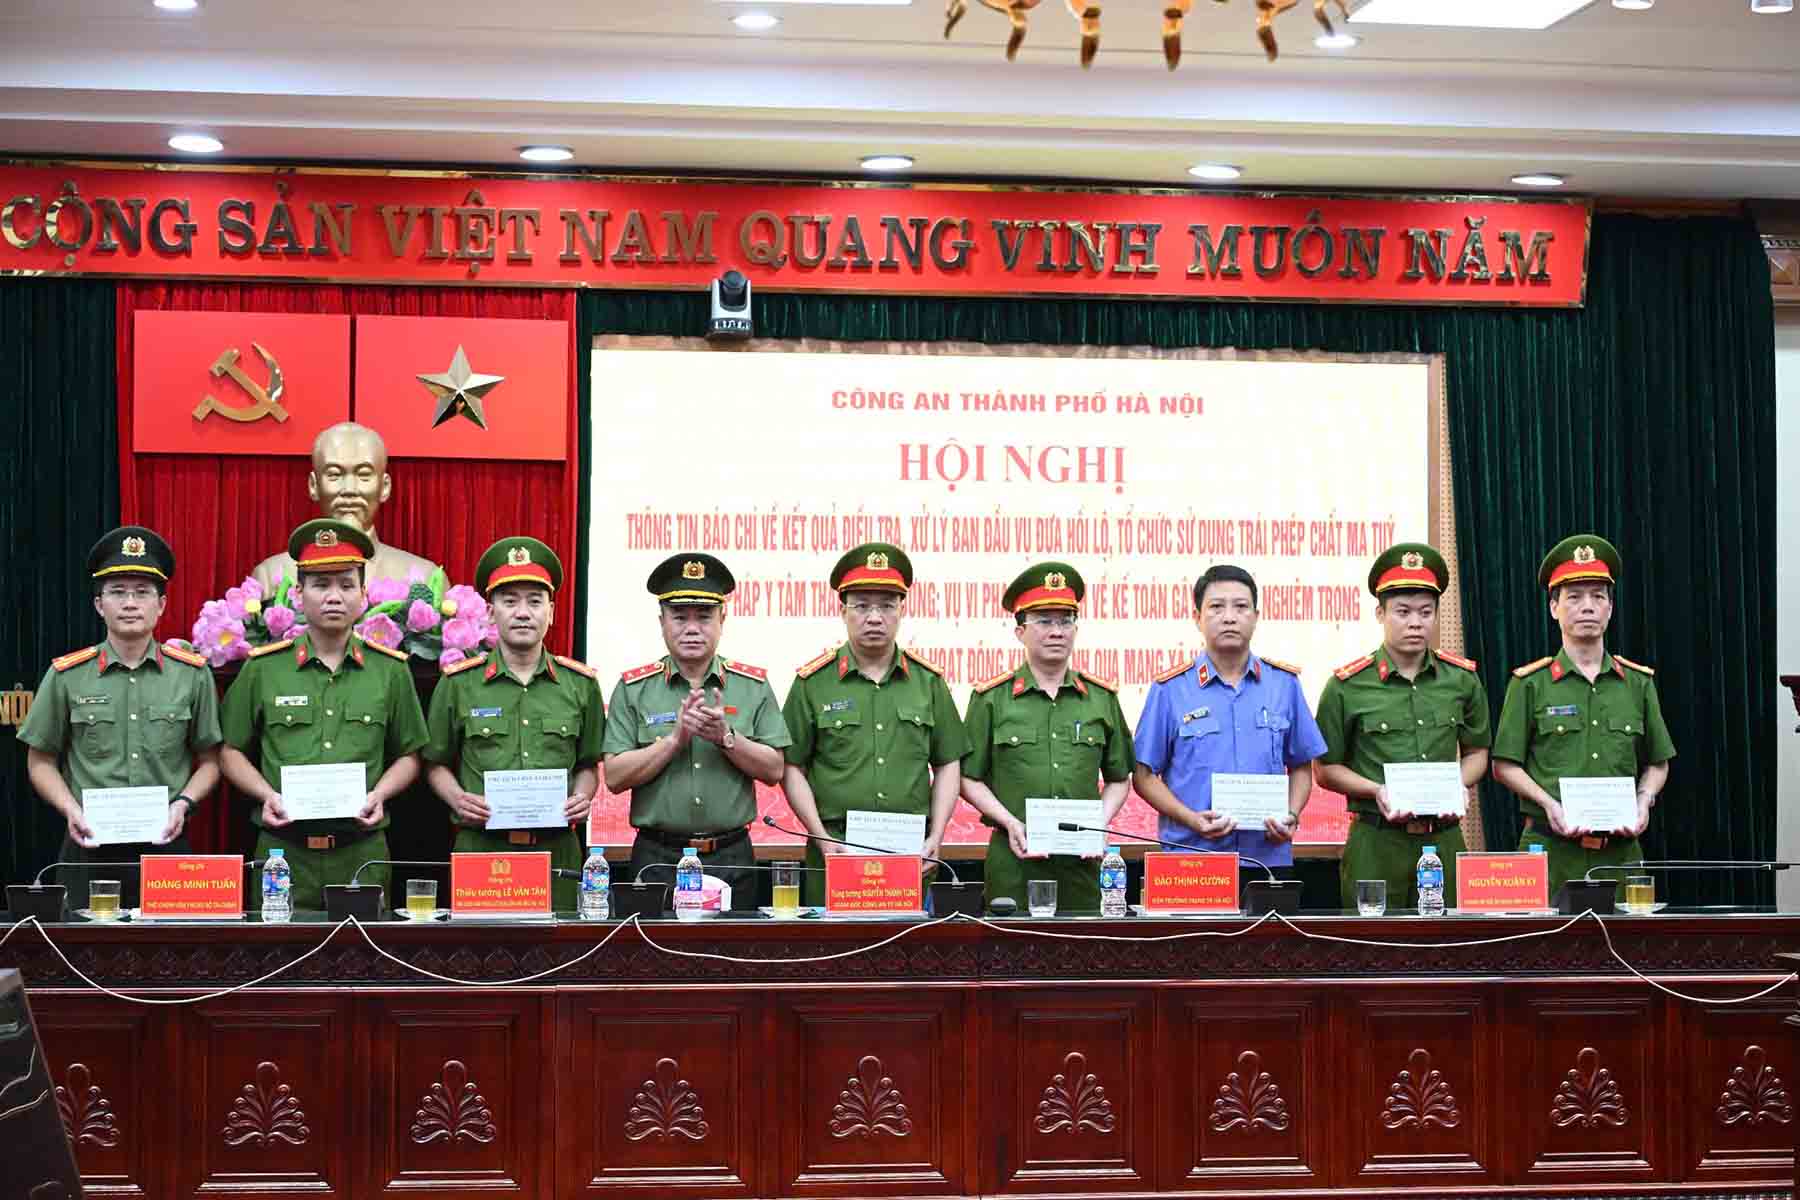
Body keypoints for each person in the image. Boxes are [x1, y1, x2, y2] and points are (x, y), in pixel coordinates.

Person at [220, 519, 429, 910]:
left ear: (364, 594)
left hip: (361, 852)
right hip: (283, 854)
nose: (334, 596)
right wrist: (266, 795)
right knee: (277, 962)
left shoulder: (391, 670)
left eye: (346, 585)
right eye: (320, 584)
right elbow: (229, 750)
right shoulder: (264, 669)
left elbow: (411, 753)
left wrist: (380, 794)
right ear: (298, 594)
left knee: (363, 965)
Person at [18, 526, 221, 908]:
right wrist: (69, 809)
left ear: (161, 604)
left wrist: (184, 804)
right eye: (118, 592)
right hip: (89, 844)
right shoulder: (67, 675)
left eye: (142, 592)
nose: (130, 603)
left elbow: (211, 760)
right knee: (83, 955)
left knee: (171, 958)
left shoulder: (192, 674)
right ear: (99, 604)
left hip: (165, 842)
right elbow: (40, 760)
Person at [781, 543, 967, 905]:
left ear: (902, 610)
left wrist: (938, 835)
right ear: (842, 611)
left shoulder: (929, 683)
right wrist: (820, 838)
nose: (874, 617)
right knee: (833, 956)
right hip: (836, 849)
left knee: (907, 955)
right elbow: (791, 767)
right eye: (861, 606)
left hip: (909, 853)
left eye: (886, 605)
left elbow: (947, 763)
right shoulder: (813, 683)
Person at [423, 537, 603, 912]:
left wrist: (583, 797)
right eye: (510, 601)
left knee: (561, 961)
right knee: (481, 963)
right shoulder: (458, 683)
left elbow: (588, 764)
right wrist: (457, 797)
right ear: (490, 613)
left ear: (551, 612)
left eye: (535, 602)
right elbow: (434, 762)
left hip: (557, 854)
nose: (523, 612)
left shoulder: (580, 685)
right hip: (482, 850)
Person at [602, 553, 788, 905]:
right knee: (651, 959)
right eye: (679, 617)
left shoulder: (753, 686)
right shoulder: (633, 688)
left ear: (723, 620)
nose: (691, 628)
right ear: (661, 622)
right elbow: (614, 777)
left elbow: (774, 770)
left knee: (733, 959)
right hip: (658, 858)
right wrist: (674, 741)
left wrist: (726, 739)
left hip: (732, 855)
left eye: (704, 617)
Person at [1492, 535, 1674, 896]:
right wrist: (1548, 803)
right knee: (1539, 949)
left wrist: (1644, 799)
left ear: (1610, 607)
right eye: (1574, 597)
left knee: (1626, 950)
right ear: (1554, 608)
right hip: (1548, 852)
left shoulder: (1637, 683)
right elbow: (1504, 766)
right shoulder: (1530, 684)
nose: (1587, 606)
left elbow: (1659, 762)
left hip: (1620, 855)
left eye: (1598, 596)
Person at [1315, 543, 1490, 911]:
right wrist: (1377, 790)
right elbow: (1325, 769)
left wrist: (1458, 783)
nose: (1415, 622)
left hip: (1443, 838)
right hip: (1376, 841)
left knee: (1451, 948)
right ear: (1380, 613)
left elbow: (1477, 753)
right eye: (1403, 611)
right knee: (1370, 949)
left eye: (1426, 612)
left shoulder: (1462, 680)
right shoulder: (1347, 686)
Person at [959, 562, 1134, 911]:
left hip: (1082, 866)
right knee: (1007, 961)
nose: (1057, 631)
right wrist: (1009, 822)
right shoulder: (991, 699)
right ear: (1020, 631)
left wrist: (1098, 824)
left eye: (1065, 621)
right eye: (1044, 621)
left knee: (1084, 958)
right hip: (1014, 861)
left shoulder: (1101, 699)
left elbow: (1119, 778)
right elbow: (968, 778)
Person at [1133, 564, 1326, 876]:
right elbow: (1143, 776)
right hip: (1191, 858)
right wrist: (1191, 819)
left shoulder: (1283, 685)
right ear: (1197, 617)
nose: (1229, 617)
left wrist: (1290, 814)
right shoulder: (1170, 690)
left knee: (1269, 928)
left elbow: (1302, 766)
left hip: (1267, 858)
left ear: (1256, 616)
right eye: (1216, 607)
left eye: (1240, 607)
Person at [251, 422, 437, 596]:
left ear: (385, 486)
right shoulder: (270, 577)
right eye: (334, 474)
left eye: (364, 475)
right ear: (314, 485)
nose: (349, 489)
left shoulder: (424, 579)